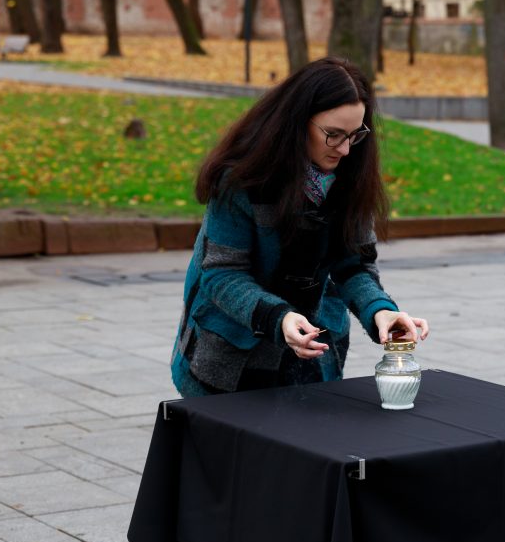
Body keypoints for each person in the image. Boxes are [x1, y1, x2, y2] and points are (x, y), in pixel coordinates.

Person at [170, 57, 429, 397]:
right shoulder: (243, 178)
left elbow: (354, 267)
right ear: (297, 121)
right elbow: (222, 274)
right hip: (230, 365)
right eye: (332, 135)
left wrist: (381, 312)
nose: (346, 149)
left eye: (355, 135)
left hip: (311, 362)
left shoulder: (351, 175)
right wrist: (279, 319)